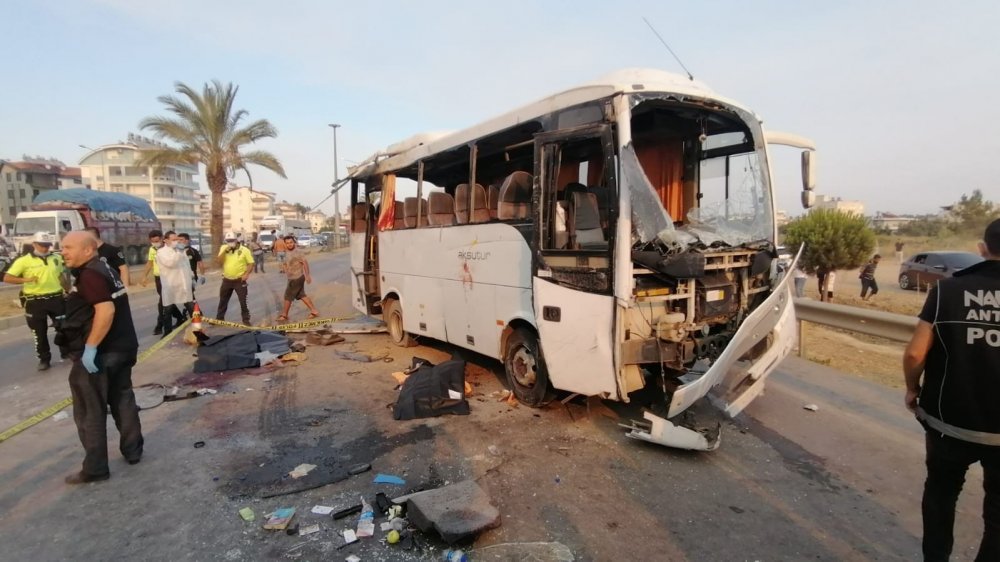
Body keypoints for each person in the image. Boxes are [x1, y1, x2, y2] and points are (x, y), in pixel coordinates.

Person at [903, 218, 1000, 561]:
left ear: (982, 248)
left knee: (941, 496)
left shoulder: (946, 290)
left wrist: (912, 389)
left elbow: (916, 352)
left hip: (948, 422)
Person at [57, 231, 142, 484]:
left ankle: (95, 468)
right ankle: (133, 450)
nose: (64, 252)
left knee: (89, 410)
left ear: (87, 250)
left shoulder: (91, 274)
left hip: (102, 354)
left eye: (69, 247)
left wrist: (91, 348)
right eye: (62, 247)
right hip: (123, 348)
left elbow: (105, 310)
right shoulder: (105, 268)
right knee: (123, 400)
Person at [2, 232, 66, 370]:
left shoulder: (56, 258)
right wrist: (26, 280)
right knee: (39, 332)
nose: (45, 248)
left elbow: (60, 275)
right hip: (35, 301)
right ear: (34, 245)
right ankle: (44, 359)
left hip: (56, 298)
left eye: (47, 245)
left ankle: (66, 352)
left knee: (64, 327)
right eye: (42, 245)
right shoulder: (23, 261)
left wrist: (69, 290)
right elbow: (7, 278)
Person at [140, 229, 184, 335]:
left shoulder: (169, 248)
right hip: (158, 279)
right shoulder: (152, 250)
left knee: (163, 303)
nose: (155, 243)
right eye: (153, 241)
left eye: (157, 240)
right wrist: (144, 276)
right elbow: (150, 263)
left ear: (162, 239)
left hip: (169, 278)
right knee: (166, 301)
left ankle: (160, 326)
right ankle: (180, 318)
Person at [154, 231, 194, 332]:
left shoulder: (180, 251)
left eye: (177, 239)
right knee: (168, 309)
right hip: (171, 286)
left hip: (184, 284)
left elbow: (187, 265)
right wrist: (179, 253)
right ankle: (167, 333)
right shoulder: (161, 252)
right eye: (173, 240)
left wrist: (191, 278)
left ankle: (197, 328)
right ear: (166, 240)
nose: (176, 241)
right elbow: (171, 263)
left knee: (191, 306)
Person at [277, 235, 320, 321]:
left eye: (291, 242)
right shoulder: (285, 253)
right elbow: (285, 264)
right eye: (287, 243)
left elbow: (305, 263)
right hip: (291, 278)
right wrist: (286, 270)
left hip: (297, 277)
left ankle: (284, 315)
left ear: (294, 242)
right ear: (285, 244)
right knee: (302, 295)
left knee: (288, 296)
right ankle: (314, 311)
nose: (289, 244)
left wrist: (307, 275)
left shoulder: (298, 252)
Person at [216, 231, 255, 325]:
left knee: (243, 301)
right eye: (228, 240)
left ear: (236, 240)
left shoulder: (244, 250)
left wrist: (246, 274)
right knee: (223, 300)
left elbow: (251, 263)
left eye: (232, 240)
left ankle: (246, 320)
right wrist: (225, 251)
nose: (230, 242)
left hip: (239, 280)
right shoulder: (223, 248)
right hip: (227, 279)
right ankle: (219, 318)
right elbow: (219, 261)